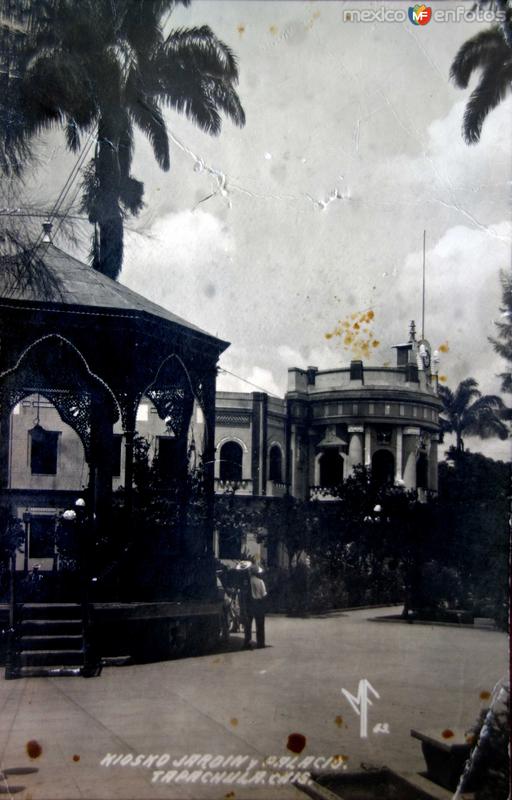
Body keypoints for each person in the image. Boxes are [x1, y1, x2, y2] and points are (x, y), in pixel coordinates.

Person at [243, 563, 267, 649]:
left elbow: (245, 594)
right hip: (259, 604)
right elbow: (264, 594)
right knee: (260, 625)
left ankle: (247, 642)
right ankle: (261, 643)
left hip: (250, 604)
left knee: (248, 625)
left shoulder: (247, 581)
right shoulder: (260, 581)